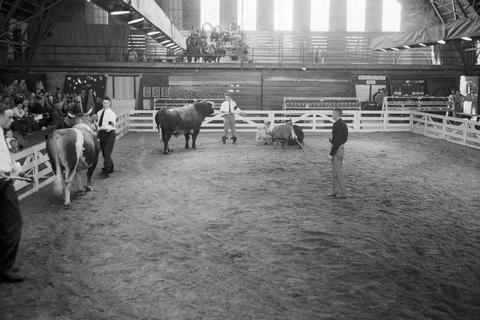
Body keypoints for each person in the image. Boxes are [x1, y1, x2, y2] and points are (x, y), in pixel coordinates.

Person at [0, 104, 26, 282]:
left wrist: (19, 170)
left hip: (6, 179)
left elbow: (5, 157)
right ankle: (5, 268)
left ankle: (4, 265)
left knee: (5, 224)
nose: (12, 120)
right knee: (14, 222)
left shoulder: (1, 133)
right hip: (2, 182)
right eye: (9, 117)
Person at [328, 108, 348, 199]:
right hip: (339, 148)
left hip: (337, 149)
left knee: (338, 171)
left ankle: (342, 192)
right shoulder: (340, 124)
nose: (332, 114)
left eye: (333, 113)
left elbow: (338, 140)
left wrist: (331, 153)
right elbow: (342, 139)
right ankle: (336, 191)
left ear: (338, 114)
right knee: (335, 171)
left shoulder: (338, 125)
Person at [96, 97, 116, 178]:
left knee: (107, 153)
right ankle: (111, 168)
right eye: (104, 102)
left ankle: (105, 172)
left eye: (107, 103)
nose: (105, 104)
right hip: (102, 134)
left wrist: (100, 128)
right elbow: (97, 123)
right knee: (104, 153)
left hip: (110, 134)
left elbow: (111, 125)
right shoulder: (99, 112)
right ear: (102, 103)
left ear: (110, 103)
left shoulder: (111, 113)